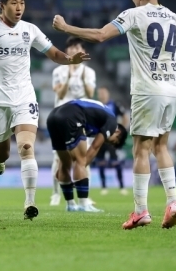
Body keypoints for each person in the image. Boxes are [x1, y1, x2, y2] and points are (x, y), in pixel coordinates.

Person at [52, 0, 176, 230]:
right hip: (173, 88)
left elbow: (99, 35)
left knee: (141, 149)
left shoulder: (134, 14)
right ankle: (173, 202)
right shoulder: (173, 16)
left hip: (148, 89)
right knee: (161, 147)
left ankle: (141, 211)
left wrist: (66, 28)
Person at [0, 0, 90, 220]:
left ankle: (30, 202)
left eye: (22, 2)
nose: (19, 7)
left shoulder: (29, 29)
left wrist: (70, 59)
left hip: (24, 97)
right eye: (14, 3)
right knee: (4, 154)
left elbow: (54, 53)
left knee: (26, 147)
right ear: (2, 4)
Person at [46, 98, 127, 212]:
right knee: (80, 160)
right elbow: (94, 147)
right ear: (118, 132)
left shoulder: (100, 118)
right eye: (113, 141)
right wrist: (80, 169)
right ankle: (84, 204)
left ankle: (70, 205)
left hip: (53, 116)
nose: (108, 142)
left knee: (64, 163)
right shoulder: (112, 123)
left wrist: (72, 171)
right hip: (71, 115)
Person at [50, 36, 96, 207]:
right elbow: (60, 95)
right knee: (59, 159)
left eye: (77, 47)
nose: (74, 50)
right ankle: (55, 194)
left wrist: (82, 78)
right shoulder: (58, 71)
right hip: (62, 116)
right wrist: (69, 77)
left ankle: (85, 195)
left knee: (83, 159)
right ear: (67, 51)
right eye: (70, 47)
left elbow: (91, 94)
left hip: (82, 117)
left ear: (83, 51)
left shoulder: (89, 72)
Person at [96, 87, 129, 196]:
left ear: (108, 93)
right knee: (100, 162)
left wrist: (121, 131)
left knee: (116, 162)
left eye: (103, 92)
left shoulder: (114, 104)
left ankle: (122, 186)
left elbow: (125, 117)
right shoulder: (96, 105)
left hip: (112, 138)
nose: (102, 95)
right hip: (100, 137)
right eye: (100, 93)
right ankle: (104, 187)